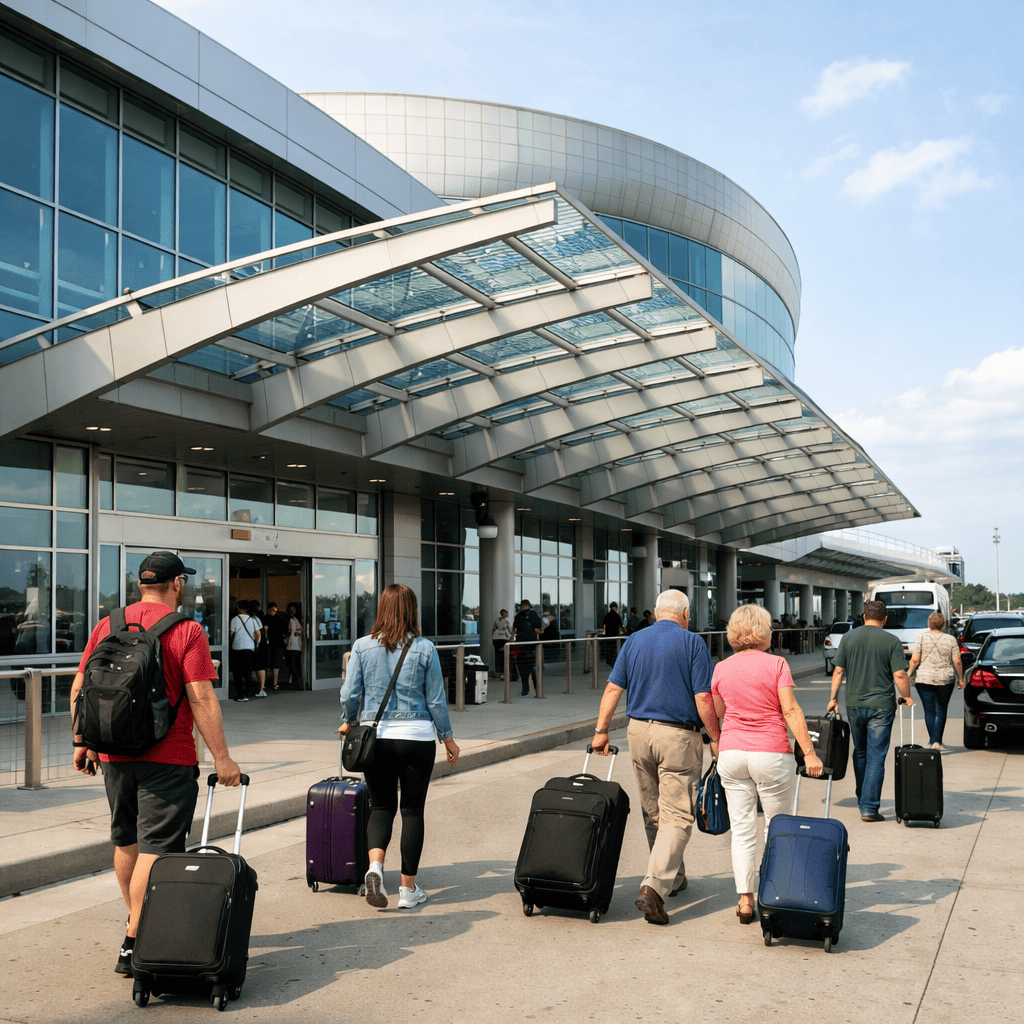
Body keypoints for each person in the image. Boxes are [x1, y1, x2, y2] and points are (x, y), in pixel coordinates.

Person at [69, 550, 242, 976]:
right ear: (177, 583)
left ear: (142, 583)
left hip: (112, 753)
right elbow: (201, 696)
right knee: (157, 849)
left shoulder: (108, 623)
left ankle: (136, 922)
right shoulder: (187, 630)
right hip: (168, 755)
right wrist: (223, 757)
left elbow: (82, 682)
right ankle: (134, 939)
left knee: (126, 841)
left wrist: (81, 740)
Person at [592, 589, 722, 925]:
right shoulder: (692, 642)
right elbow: (704, 697)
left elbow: (612, 689)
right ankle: (653, 887)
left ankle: (673, 877)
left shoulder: (634, 640)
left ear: (655, 612)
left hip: (638, 732)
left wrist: (601, 731)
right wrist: (715, 737)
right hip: (678, 735)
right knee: (677, 815)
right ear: (685, 614)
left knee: (654, 812)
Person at [338, 584, 459, 911]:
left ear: (382, 609)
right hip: (417, 738)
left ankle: (375, 867)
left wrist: (349, 721)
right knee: (412, 810)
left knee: (380, 807)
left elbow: (350, 694)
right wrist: (447, 738)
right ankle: (408, 891)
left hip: (376, 739)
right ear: (412, 611)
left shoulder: (362, 647)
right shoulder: (425, 649)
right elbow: (436, 699)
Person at [711, 605, 823, 924]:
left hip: (732, 754)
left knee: (742, 828)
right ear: (762, 632)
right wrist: (810, 753)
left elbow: (719, 711)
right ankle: (774, 891)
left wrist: (720, 741)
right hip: (771, 752)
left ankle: (745, 900)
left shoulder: (721, 667)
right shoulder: (777, 664)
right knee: (777, 825)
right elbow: (790, 711)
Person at [827, 599, 912, 822]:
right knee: (876, 756)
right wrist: (907, 696)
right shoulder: (892, 640)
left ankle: (862, 797)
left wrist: (833, 699)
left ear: (864, 617)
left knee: (861, 751)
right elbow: (900, 675)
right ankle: (869, 807)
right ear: (884, 619)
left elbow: (838, 671)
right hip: (881, 707)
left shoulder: (849, 637)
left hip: (854, 704)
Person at [907, 612, 963, 751]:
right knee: (941, 709)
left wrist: (908, 673)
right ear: (943, 624)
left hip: (924, 678)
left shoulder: (921, 637)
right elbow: (957, 660)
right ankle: (936, 741)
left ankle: (933, 740)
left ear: (929, 623)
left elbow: (915, 660)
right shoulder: (950, 639)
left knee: (929, 710)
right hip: (945, 679)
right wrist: (961, 678)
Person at [228, 600, 261, 702]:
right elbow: (258, 635)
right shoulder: (253, 620)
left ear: (238, 607)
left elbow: (231, 633)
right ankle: (246, 693)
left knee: (237, 672)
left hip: (237, 648)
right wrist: (256, 644)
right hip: (249, 648)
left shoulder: (234, 620)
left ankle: (240, 694)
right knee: (248, 672)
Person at [511, 599, 542, 697]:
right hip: (520, 645)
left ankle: (538, 691)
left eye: (526, 606)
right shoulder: (518, 616)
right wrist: (514, 650)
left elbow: (539, 629)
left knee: (533, 669)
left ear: (529, 606)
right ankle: (525, 689)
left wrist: (538, 632)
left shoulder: (534, 615)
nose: (524, 607)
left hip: (532, 646)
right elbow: (514, 629)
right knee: (522, 669)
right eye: (523, 606)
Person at [264, 601, 288, 690]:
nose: (273, 611)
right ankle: (275, 683)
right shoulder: (281, 618)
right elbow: (285, 631)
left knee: (268, 663)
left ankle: (267, 683)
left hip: (270, 644)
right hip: (278, 644)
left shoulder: (265, 618)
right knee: (275, 664)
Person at [250, 600, 269, 698]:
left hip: (258, 645)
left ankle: (261, 688)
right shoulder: (258, 618)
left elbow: (258, 634)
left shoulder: (254, 618)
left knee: (259, 666)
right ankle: (261, 687)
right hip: (261, 645)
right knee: (259, 666)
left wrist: (256, 645)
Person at [284, 602, 303, 688]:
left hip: (292, 644)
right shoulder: (299, 619)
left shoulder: (292, 620)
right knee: (296, 663)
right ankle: (296, 679)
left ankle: (296, 679)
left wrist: (287, 642)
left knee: (292, 663)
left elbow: (291, 632)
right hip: (298, 644)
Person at [491, 608, 512, 677]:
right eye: (506, 613)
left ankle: (498, 671)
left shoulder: (496, 621)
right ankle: (503, 671)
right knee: (504, 655)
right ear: (503, 614)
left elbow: (493, 631)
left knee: (498, 655)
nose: (507, 614)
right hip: (504, 639)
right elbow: (509, 630)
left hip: (496, 640)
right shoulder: (506, 622)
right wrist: (512, 636)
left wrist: (493, 638)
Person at [602, 601, 623, 665]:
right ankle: (613, 661)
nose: (616, 608)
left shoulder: (607, 615)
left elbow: (604, 625)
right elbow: (621, 625)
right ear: (614, 607)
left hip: (608, 635)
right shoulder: (617, 616)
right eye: (616, 607)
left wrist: (605, 632)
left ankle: (608, 660)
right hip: (615, 635)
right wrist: (622, 631)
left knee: (608, 648)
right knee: (614, 648)